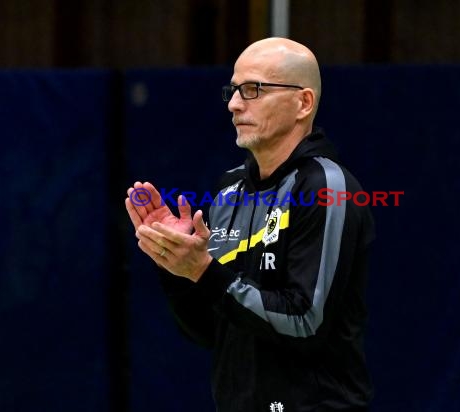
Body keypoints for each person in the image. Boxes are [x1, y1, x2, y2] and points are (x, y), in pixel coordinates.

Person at [125, 37, 375, 412]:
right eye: (234, 89)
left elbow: (305, 321)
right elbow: (213, 330)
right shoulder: (229, 191)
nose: (234, 104)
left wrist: (205, 273)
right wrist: (175, 266)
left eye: (253, 89)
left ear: (303, 103)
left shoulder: (326, 187)